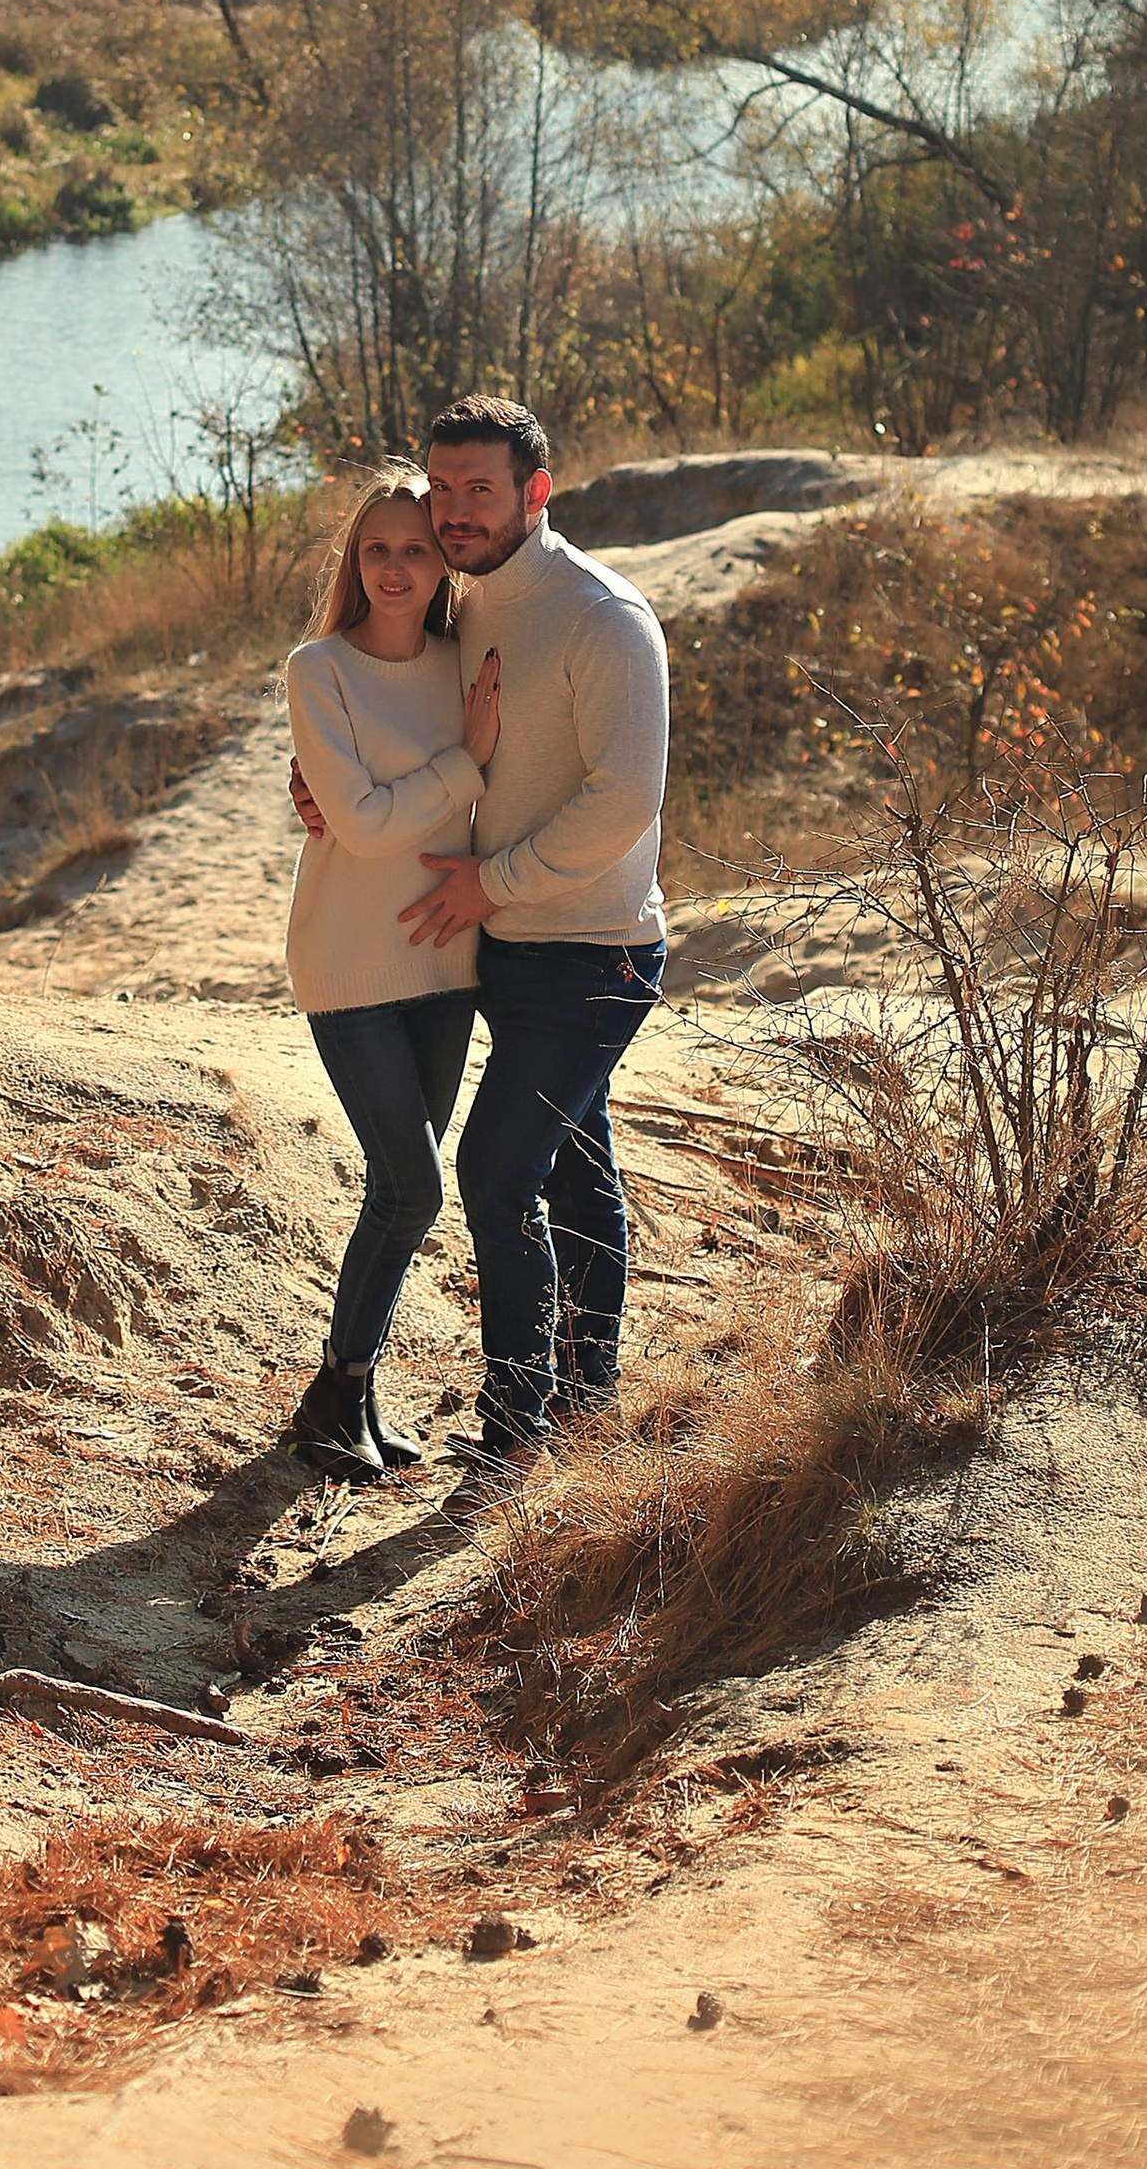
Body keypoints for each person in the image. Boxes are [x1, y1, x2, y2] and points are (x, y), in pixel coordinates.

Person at [292, 395, 669, 1514]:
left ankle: (515, 1429)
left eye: (478, 492)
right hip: (491, 951)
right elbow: (392, 726)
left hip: (590, 951)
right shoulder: (467, 615)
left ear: (534, 493)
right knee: (574, 1168)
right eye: (441, 489)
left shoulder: (603, 618)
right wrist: (315, 787)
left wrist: (489, 883)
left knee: (493, 1177)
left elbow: (624, 801)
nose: (454, 513)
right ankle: (588, 1396)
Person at [278, 466, 502, 1483]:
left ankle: (346, 1391)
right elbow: (362, 829)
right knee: (414, 1185)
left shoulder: (467, 665)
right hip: (347, 962)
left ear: (442, 560)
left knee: (392, 1190)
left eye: (418, 548)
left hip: (446, 962)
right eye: (378, 549)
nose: (398, 567)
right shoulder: (316, 669)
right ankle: (336, 1390)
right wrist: (464, 764)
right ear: (354, 562)